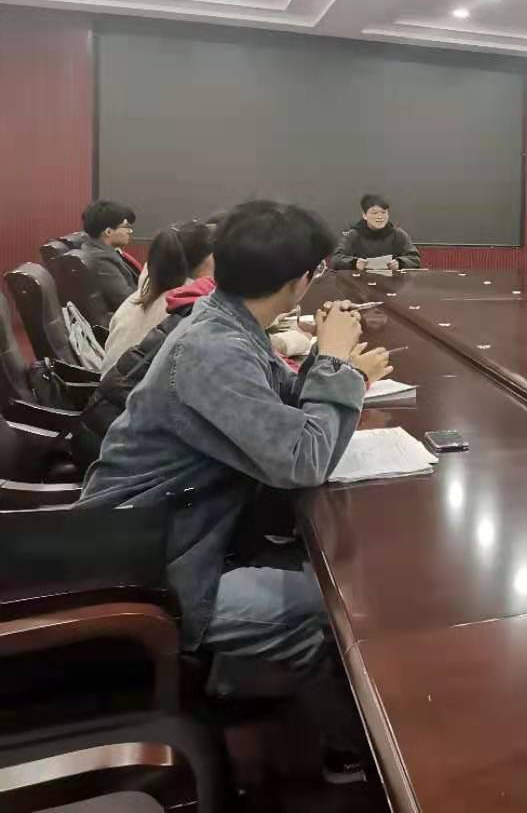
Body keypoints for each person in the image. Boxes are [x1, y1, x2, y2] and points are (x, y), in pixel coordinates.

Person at [79, 200, 392, 772]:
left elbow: (281, 408)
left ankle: (243, 678)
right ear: (300, 281)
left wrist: (334, 365)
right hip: (151, 566)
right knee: (338, 608)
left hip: (180, 533)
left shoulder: (225, 322)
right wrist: (335, 364)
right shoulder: (214, 349)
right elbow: (302, 458)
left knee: (321, 566)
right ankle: (349, 755)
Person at [100, 220, 215, 374]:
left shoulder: (134, 300)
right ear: (209, 259)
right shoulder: (191, 307)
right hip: (140, 388)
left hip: (109, 385)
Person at [78, 199, 141, 312]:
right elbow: (126, 300)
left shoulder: (99, 249)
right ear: (108, 232)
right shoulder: (101, 260)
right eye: (126, 227)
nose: (129, 231)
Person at [332, 194, 422, 271]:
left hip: (392, 282)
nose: (380, 217)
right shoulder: (353, 235)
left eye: (383, 212)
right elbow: (336, 259)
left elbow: (414, 258)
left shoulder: (398, 235)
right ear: (364, 215)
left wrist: (400, 263)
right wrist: (354, 263)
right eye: (374, 213)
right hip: (360, 283)